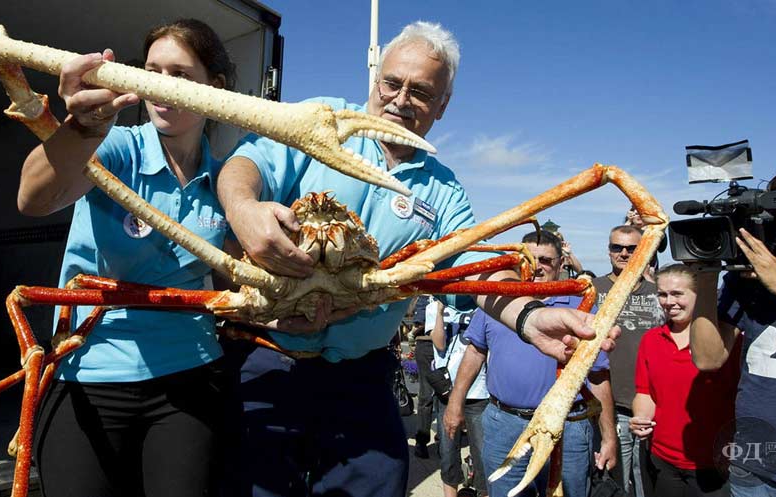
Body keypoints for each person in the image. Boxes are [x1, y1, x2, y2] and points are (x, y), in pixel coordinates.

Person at [216, 21, 618, 497]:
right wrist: (243, 207)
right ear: (376, 80)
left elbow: (475, 264)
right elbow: (247, 162)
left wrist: (529, 314)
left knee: (382, 480)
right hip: (268, 357)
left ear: (443, 105)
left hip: (360, 373)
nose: (400, 99)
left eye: (421, 91)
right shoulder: (320, 121)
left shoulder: (443, 188)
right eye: (391, 82)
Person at [19, 19, 238, 497]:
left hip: (192, 377)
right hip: (88, 371)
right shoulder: (116, 146)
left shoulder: (228, 183)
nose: (161, 86)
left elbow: (241, 275)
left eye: (180, 75)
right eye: (152, 71)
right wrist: (82, 127)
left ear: (215, 88)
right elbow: (34, 198)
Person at [444, 231, 616, 497]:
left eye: (546, 260)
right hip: (505, 424)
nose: (536, 266)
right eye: (529, 259)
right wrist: (455, 403)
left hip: (567, 427)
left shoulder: (582, 307)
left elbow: (598, 375)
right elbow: (475, 352)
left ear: (561, 264)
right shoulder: (495, 302)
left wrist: (608, 438)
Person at [691, 162, 776, 495]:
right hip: (754, 466)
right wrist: (707, 280)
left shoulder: (771, 278)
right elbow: (708, 358)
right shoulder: (746, 279)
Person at [631, 264, 740, 497]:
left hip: (714, 464)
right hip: (662, 460)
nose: (669, 302)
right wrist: (640, 418)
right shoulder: (651, 340)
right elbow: (646, 392)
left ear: (700, 295)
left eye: (677, 294)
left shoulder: (729, 339)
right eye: (662, 294)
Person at [592, 225, 664, 497]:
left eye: (631, 248)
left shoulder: (659, 293)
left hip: (653, 405)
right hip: (609, 405)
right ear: (608, 250)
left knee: (648, 478)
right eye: (616, 247)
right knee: (615, 479)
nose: (623, 253)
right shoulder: (592, 289)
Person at [430, 300, 487, 497]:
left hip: (479, 392)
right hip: (448, 393)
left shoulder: (482, 304)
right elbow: (438, 343)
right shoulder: (434, 305)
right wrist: (439, 312)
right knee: (448, 454)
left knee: (482, 456)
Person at [411, 294, 436, 458]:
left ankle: (422, 441)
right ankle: (429, 440)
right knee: (440, 395)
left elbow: (418, 323)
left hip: (427, 344)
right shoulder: (429, 297)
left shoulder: (425, 297)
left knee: (426, 395)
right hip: (432, 345)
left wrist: (413, 333)